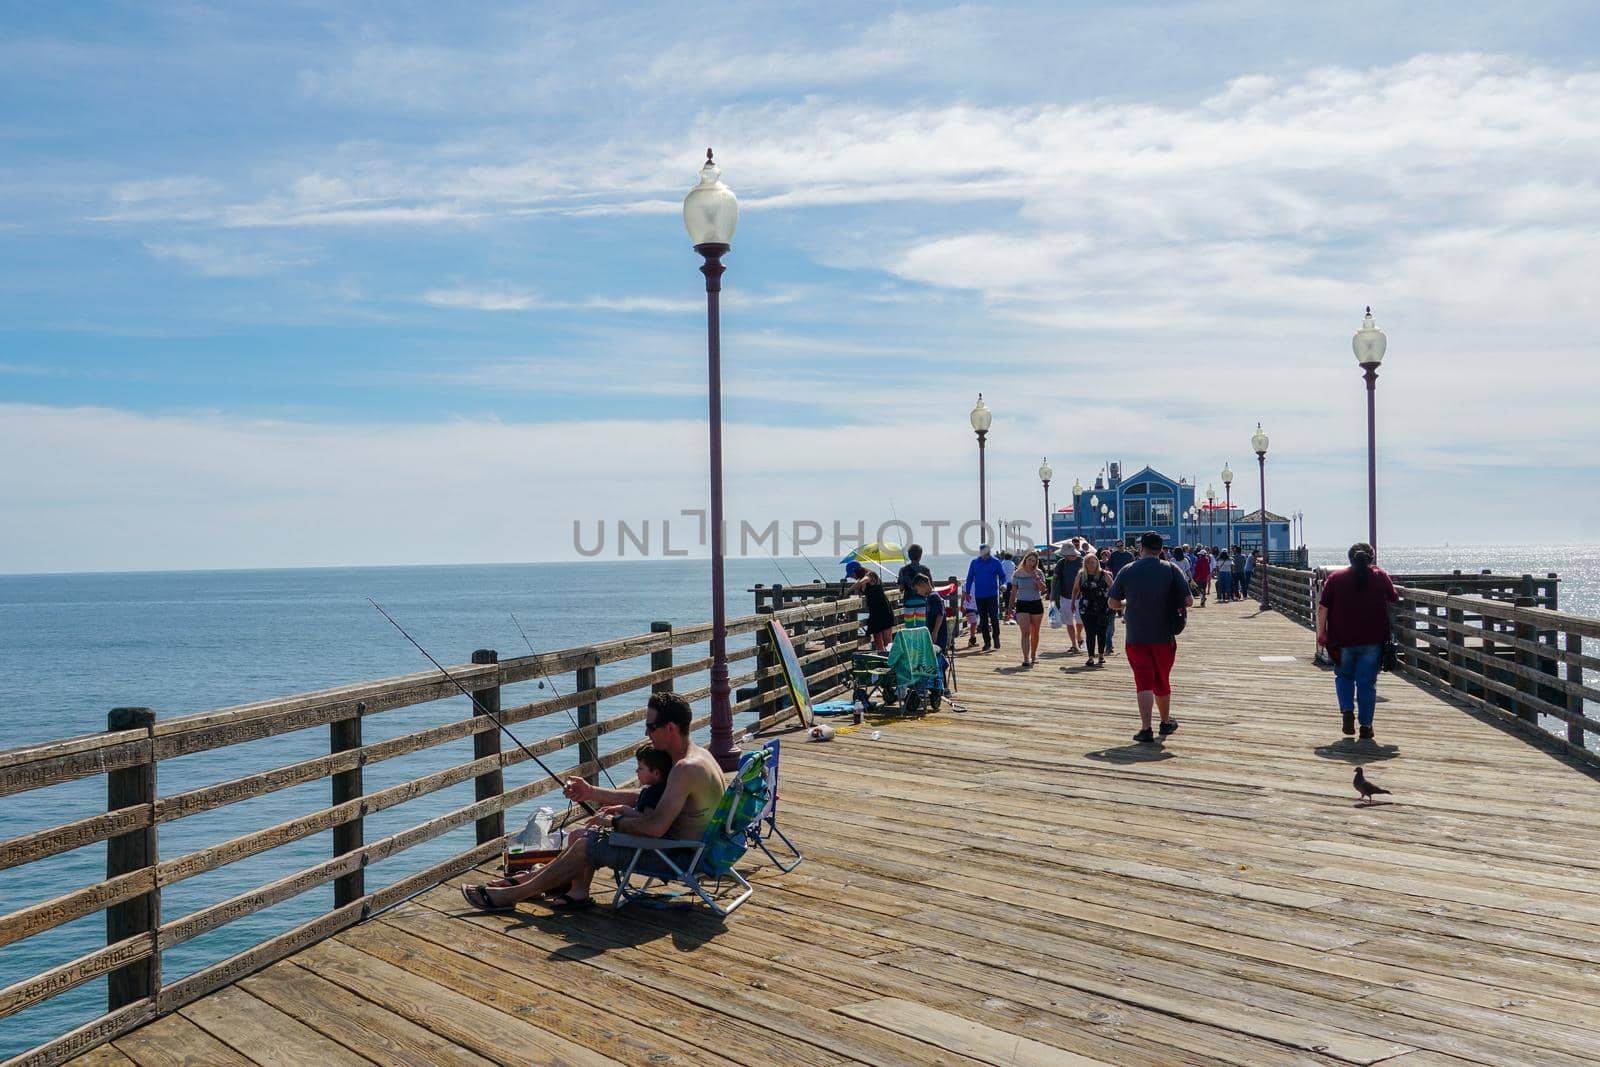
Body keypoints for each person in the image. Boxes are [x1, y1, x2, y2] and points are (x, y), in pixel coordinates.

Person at [462, 692, 725, 910]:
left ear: (670, 728)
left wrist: (613, 822)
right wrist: (592, 793)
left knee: (586, 845)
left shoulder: (684, 769)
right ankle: (534, 882)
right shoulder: (699, 756)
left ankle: (512, 896)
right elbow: (652, 800)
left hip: (677, 856)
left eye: (651, 727)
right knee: (584, 835)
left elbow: (655, 827)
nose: (647, 733)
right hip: (689, 849)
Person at [1108, 531, 1193, 743]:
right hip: (1164, 635)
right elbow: (1189, 600)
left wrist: (1128, 603)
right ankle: (1165, 722)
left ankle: (1146, 728)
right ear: (1161, 549)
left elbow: (1113, 603)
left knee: (1143, 682)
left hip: (1136, 636)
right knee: (1161, 680)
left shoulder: (1128, 570)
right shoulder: (1171, 569)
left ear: (1141, 548)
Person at [1317, 542, 1399, 740]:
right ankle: (1366, 726)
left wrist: (1322, 633)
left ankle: (1347, 711)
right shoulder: (1380, 576)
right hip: (1373, 638)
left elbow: (1323, 609)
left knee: (1344, 676)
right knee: (1366, 683)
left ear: (1350, 558)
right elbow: (1393, 600)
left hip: (1342, 639)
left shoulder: (1335, 578)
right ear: (1371, 558)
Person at [1007, 551, 1048, 667]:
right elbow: (1013, 592)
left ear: (1036, 562)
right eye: (1029, 560)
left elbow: (1043, 589)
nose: (1031, 562)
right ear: (1025, 560)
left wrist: (1037, 579)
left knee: (1035, 632)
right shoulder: (1017, 573)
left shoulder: (1039, 572)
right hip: (1022, 604)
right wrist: (1009, 608)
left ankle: (1034, 654)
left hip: (1036, 603)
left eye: (1034, 561)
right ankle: (1026, 658)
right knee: (1025, 632)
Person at [963, 544, 1006, 653]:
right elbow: (969, 578)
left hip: (992, 595)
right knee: (983, 620)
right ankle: (987, 643)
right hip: (979, 596)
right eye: (983, 554)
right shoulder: (974, 563)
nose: (985, 556)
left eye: (987, 554)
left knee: (994, 617)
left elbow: (1002, 576)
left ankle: (996, 638)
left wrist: (1004, 584)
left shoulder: (996, 562)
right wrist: (967, 592)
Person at [1074, 552, 1112, 666]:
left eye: (1093, 562)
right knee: (1089, 632)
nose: (1091, 564)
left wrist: (1114, 603)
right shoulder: (1081, 575)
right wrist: (1072, 602)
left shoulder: (1104, 574)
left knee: (1102, 632)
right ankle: (1090, 657)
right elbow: (1075, 590)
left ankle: (1101, 655)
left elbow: (1113, 588)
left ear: (1097, 562)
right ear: (1085, 564)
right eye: (1088, 562)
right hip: (1086, 607)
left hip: (1103, 607)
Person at [849, 564, 895, 651]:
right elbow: (859, 591)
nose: (853, 577)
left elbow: (861, 582)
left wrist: (848, 590)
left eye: (853, 575)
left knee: (887, 641)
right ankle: (883, 660)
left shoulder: (871, 575)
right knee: (878, 641)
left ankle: (891, 660)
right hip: (874, 611)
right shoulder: (861, 581)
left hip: (883, 609)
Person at [1052, 544, 1085, 653]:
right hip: (1065, 596)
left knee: (1081, 620)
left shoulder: (1083, 561)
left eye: (1066, 554)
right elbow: (1055, 578)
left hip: (1081, 596)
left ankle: (1079, 637)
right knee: (1069, 621)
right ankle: (1074, 645)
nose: (1065, 556)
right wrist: (1052, 593)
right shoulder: (1062, 563)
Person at [999, 551, 1018, 624]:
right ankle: (1010, 612)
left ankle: (1007, 612)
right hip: (1011, 582)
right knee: (1011, 597)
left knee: (1005, 597)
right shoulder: (1012, 563)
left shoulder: (1002, 563)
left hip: (1004, 583)